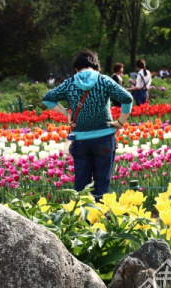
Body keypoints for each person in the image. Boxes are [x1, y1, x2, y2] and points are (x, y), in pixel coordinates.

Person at [42, 49, 134, 199]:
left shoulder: (70, 83)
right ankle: (98, 217)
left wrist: (67, 113)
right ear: (97, 67)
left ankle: (82, 217)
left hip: (80, 140)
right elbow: (127, 98)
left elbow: (47, 99)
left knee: (82, 183)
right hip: (104, 137)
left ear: (76, 68)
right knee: (102, 182)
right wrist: (120, 122)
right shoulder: (104, 80)